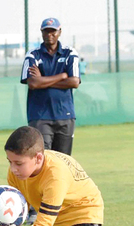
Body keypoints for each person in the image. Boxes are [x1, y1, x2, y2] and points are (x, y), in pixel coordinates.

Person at [20, 18, 81, 156]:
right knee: (44, 158)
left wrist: (42, 80)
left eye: (53, 31)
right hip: (40, 116)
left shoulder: (69, 53)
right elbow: (33, 83)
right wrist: (61, 76)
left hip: (65, 114)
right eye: (46, 31)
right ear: (41, 33)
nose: (49, 35)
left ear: (59, 32)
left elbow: (74, 82)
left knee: (64, 161)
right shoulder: (33, 55)